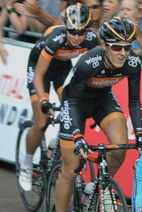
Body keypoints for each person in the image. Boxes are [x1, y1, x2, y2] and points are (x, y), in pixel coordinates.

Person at [50, 18, 142, 212]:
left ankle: (97, 186)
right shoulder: (88, 62)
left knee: (120, 146)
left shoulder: (133, 63)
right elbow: (71, 101)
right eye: (116, 47)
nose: (123, 53)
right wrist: (78, 135)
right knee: (71, 170)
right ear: (105, 45)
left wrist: (140, 134)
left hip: (103, 100)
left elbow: (134, 102)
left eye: (128, 47)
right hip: (75, 103)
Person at [18, 3, 98, 192]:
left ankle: (58, 140)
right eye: (73, 32)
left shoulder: (92, 40)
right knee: (41, 121)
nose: (77, 37)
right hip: (40, 70)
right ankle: (27, 163)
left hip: (62, 68)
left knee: (72, 108)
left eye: (81, 32)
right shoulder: (55, 39)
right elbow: (38, 76)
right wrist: (44, 101)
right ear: (66, 26)